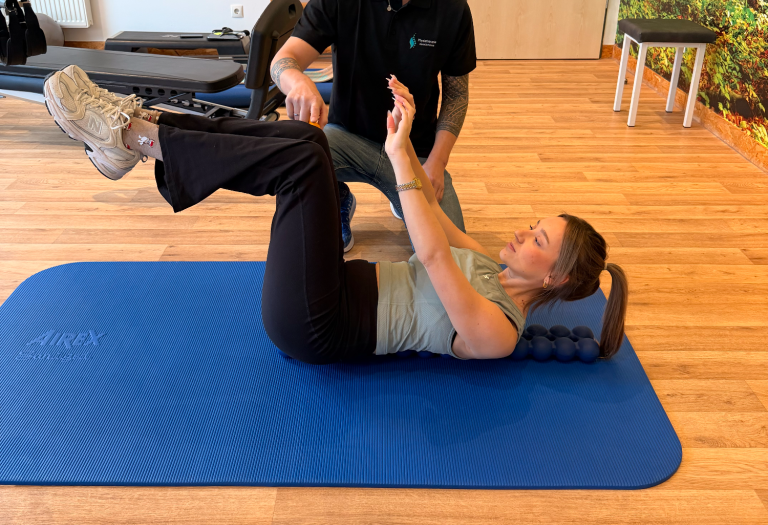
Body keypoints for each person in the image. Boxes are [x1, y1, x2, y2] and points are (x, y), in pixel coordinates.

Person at [43, 64, 629, 364]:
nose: (524, 232)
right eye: (535, 226)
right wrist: (402, 138)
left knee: (301, 164)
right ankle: (142, 129)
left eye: (538, 239)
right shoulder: (490, 266)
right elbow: (433, 214)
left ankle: (131, 137)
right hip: (327, 287)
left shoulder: (498, 333)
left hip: (317, 325)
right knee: (309, 144)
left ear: (554, 277)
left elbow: (429, 251)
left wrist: (397, 157)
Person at [270, 0, 476, 252]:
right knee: (300, 157)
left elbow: (457, 95)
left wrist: (437, 162)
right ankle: (336, 198)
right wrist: (296, 80)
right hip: (346, 137)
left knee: (454, 255)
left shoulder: (452, 10)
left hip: (413, 152)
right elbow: (284, 60)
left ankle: (404, 196)